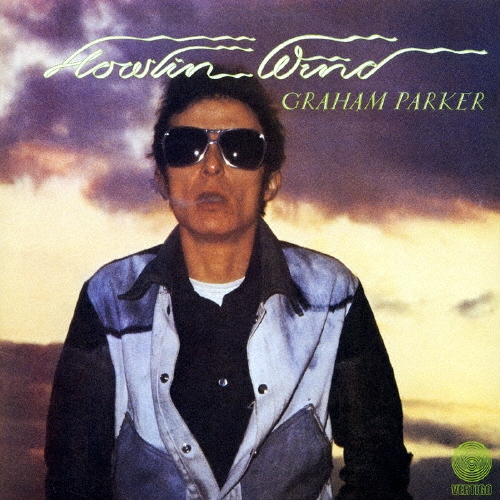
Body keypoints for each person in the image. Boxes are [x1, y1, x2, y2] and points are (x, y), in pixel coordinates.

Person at [45, 66, 412, 500]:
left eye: (240, 148)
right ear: (162, 178)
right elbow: (73, 480)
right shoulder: (110, 298)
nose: (212, 165)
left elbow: (380, 472)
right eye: (186, 146)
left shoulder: (332, 295)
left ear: (271, 181)